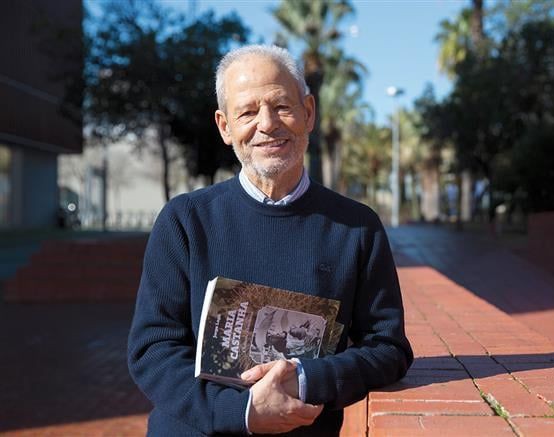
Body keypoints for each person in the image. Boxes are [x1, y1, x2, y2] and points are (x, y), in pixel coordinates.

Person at [127, 44, 413, 436]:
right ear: (225, 127)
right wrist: (243, 411)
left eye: (281, 106)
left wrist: (307, 378)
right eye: (247, 111)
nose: (267, 124)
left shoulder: (357, 228)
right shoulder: (184, 221)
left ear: (308, 112)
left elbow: (388, 348)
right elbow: (152, 350)